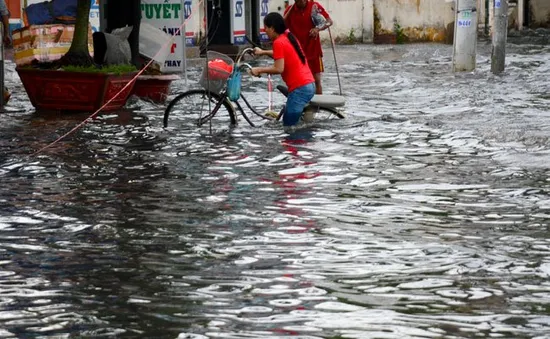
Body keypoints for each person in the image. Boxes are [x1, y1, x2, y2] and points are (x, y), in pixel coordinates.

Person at [251, 12, 315, 127]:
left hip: (299, 88)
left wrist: (259, 70)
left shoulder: (278, 42)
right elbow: (283, 54)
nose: (264, 30)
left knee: (289, 128)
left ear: (273, 28)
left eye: (266, 27)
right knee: (294, 126)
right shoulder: (288, 36)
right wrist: (263, 52)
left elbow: (279, 68)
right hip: (308, 84)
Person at [284, 0, 333, 95]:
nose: (302, 1)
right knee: (297, 82)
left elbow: (329, 21)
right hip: (296, 52)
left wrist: (317, 29)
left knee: (316, 80)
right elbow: (282, 27)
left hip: (313, 50)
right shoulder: (289, 11)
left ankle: (318, 105)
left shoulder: (314, 6)